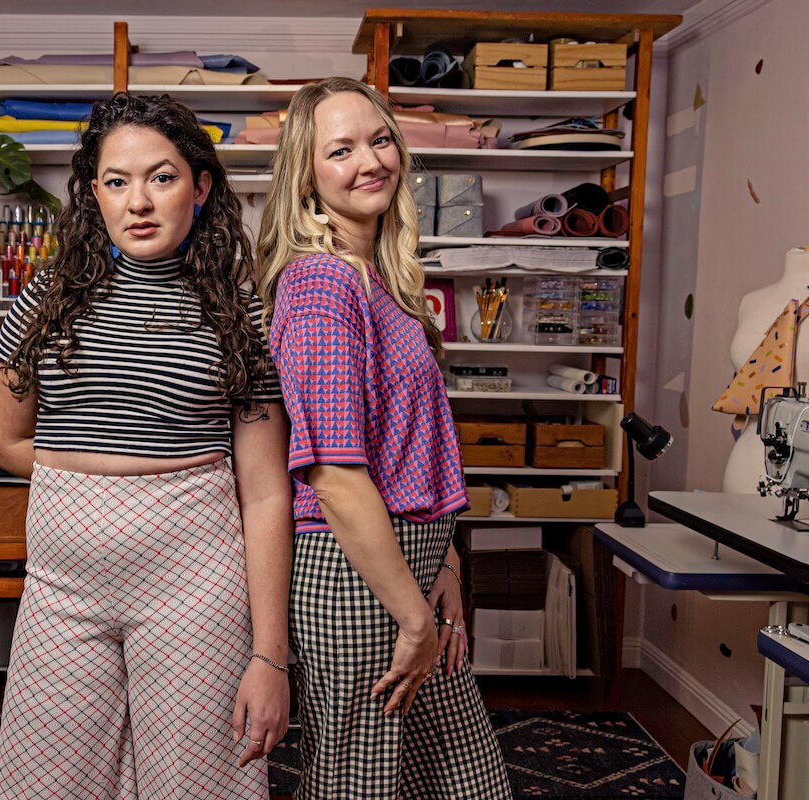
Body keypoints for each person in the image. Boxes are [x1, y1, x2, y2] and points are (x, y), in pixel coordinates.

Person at [0, 92, 292, 800]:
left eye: (162, 177)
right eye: (117, 182)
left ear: (201, 187)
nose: (138, 202)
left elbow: (268, 490)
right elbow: (2, 440)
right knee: (44, 784)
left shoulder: (240, 314)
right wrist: (95, 479)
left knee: (198, 784)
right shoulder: (49, 298)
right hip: (63, 589)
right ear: (94, 195)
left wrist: (270, 657)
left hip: (196, 587)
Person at [257, 76, 512, 800]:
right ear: (306, 177)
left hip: (407, 572)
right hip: (355, 578)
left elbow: (416, 447)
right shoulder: (321, 286)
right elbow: (334, 476)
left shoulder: (382, 279)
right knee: (359, 786)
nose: (370, 161)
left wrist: (447, 567)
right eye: (340, 150)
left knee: (465, 778)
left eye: (379, 140)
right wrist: (412, 614)